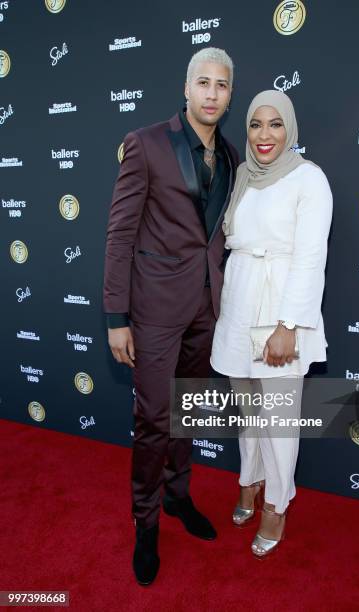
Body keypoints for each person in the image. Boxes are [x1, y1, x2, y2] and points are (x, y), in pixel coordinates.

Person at [103, 47, 239, 585]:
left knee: (187, 415)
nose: (211, 93)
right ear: (186, 89)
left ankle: (180, 497)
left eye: (222, 85)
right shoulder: (145, 144)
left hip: (207, 309)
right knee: (154, 421)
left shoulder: (229, 156)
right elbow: (119, 235)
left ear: (230, 95)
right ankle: (146, 524)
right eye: (202, 83)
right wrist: (117, 316)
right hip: (155, 310)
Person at [210, 89, 333, 557]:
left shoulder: (309, 179)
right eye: (256, 125)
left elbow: (310, 258)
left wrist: (289, 324)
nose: (265, 135)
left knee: (279, 419)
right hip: (239, 301)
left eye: (275, 124)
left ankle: (277, 504)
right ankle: (250, 480)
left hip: (281, 306)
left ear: (290, 128)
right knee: (248, 410)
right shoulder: (243, 175)